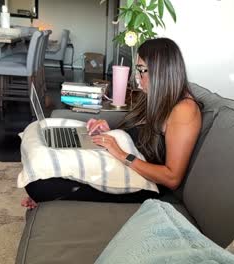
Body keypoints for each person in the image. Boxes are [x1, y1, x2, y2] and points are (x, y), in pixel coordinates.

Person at [21, 38, 202, 209]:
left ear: (161, 70)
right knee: (54, 149)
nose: (137, 77)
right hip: (126, 163)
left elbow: (172, 178)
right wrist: (111, 132)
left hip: (142, 184)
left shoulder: (184, 110)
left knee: (40, 185)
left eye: (141, 70)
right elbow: (141, 137)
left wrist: (121, 153)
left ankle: (51, 195)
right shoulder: (157, 97)